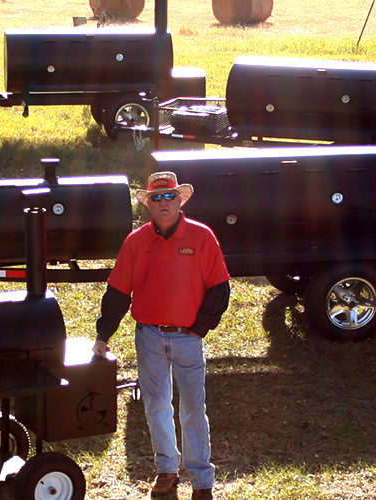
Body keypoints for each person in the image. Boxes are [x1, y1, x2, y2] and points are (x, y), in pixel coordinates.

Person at [95, 171, 231, 500]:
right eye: (156, 198)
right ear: (148, 206)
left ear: (180, 200)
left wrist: (199, 328)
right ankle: (167, 471)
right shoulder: (135, 242)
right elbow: (116, 292)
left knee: (193, 409)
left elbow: (219, 289)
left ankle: (201, 482)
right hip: (149, 338)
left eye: (169, 196)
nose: (163, 202)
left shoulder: (202, 237)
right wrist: (103, 335)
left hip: (188, 338)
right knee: (156, 406)